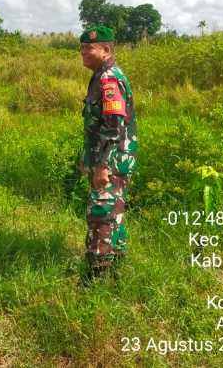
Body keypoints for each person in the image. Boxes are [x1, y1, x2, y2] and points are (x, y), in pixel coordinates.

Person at [79, 25, 137, 279]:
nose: (84, 53)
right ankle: (116, 271)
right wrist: (88, 159)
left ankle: (97, 277)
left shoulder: (108, 78)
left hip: (112, 161)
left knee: (101, 214)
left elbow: (113, 125)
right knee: (115, 212)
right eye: (81, 49)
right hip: (111, 159)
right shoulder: (101, 75)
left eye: (89, 48)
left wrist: (102, 165)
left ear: (106, 49)